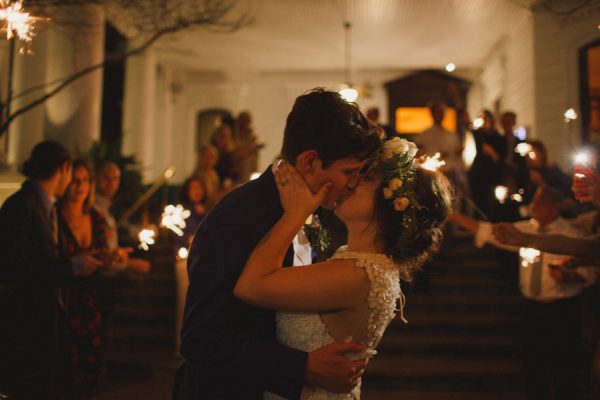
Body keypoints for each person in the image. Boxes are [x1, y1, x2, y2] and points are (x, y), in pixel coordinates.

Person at [173, 89, 383, 400]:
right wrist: (303, 366)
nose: (353, 183)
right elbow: (200, 338)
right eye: (348, 171)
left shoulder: (310, 208)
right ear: (310, 162)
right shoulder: (238, 217)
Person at [234, 137, 452, 399]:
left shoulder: (360, 273)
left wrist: (296, 213)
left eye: (367, 179)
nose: (351, 182)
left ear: (389, 205)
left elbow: (250, 286)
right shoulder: (360, 263)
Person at [450, 185, 595, 400]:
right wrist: (453, 216)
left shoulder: (571, 233)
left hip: (563, 309)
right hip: (533, 308)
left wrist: (569, 277)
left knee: (565, 367)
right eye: (534, 200)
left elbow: (590, 273)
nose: (534, 205)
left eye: (541, 201)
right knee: (534, 366)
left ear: (556, 207)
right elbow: (489, 232)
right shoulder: (525, 229)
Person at [0, 141, 101, 399]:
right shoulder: (22, 206)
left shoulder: (45, 207)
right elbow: (16, 269)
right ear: (64, 168)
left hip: (45, 323)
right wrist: (75, 266)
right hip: (26, 326)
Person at [58, 159, 115, 399]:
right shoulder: (54, 217)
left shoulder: (95, 217)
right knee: (63, 364)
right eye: (75, 180)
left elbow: (102, 253)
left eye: (84, 181)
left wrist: (111, 257)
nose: (80, 186)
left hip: (92, 300)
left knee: (90, 360)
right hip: (63, 299)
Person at [94, 161, 150, 274]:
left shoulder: (109, 206)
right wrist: (128, 264)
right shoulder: (93, 208)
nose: (111, 182)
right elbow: (98, 253)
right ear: (96, 178)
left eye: (115, 178)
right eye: (106, 177)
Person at [467, 109, 506, 219]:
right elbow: (468, 125)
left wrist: (492, 153)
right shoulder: (479, 134)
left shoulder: (499, 137)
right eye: (481, 118)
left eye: (485, 118)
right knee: (479, 201)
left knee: (493, 203)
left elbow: (501, 159)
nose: (483, 121)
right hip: (479, 173)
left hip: (493, 174)